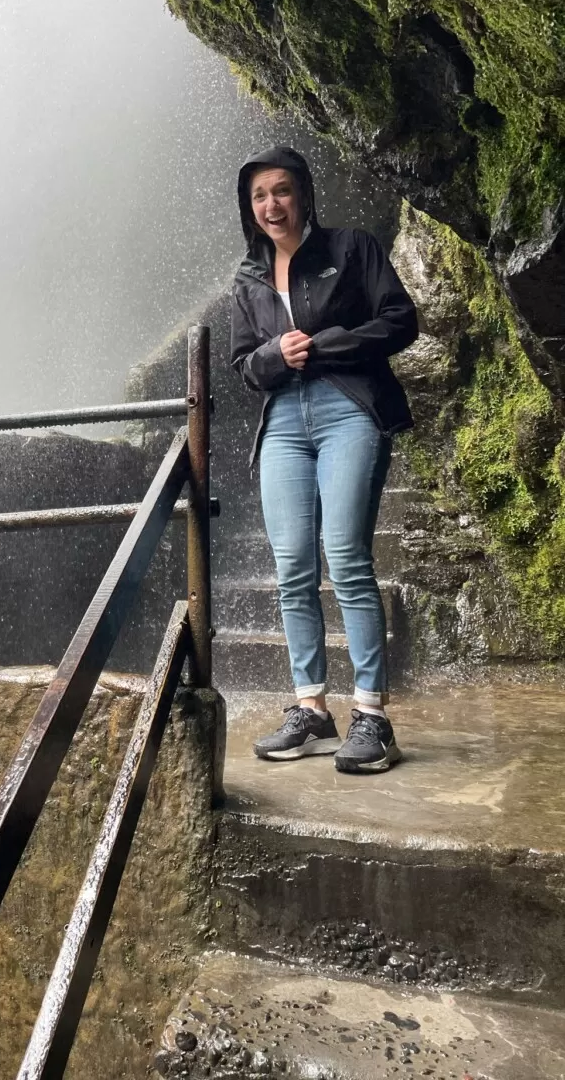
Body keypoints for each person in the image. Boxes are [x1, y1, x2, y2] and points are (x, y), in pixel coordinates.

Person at [229, 146, 419, 773]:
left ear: (304, 195)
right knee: (292, 568)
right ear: (249, 207)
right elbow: (243, 367)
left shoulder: (352, 249)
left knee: (347, 559)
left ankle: (373, 717)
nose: (271, 205)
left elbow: (400, 320)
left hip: (349, 409)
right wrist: (275, 356)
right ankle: (311, 709)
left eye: (281, 191)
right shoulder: (249, 279)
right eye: (259, 196)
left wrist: (324, 345)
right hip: (282, 423)